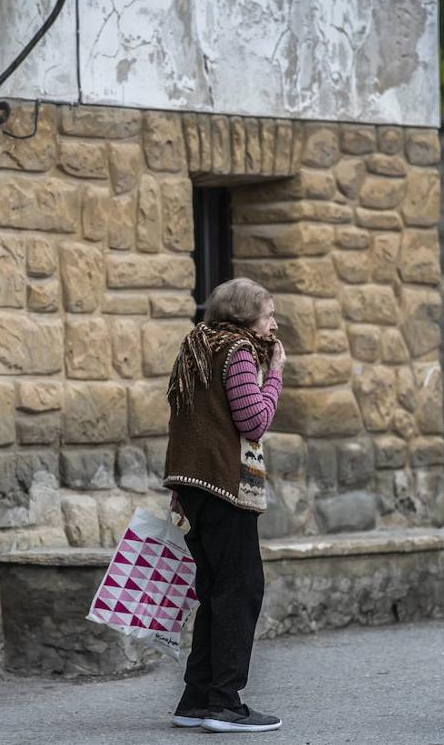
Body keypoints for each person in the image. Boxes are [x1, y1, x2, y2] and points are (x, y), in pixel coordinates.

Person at [162, 277, 286, 734]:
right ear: (243, 317)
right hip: (221, 484)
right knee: (242, 587)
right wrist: (275, 374)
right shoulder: (236, 352)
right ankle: (225, 703)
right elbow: (253, 422)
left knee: (216, 590)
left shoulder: (196, 345)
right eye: (268, 315)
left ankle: (196, 698)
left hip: (192, 484)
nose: (273, 324)